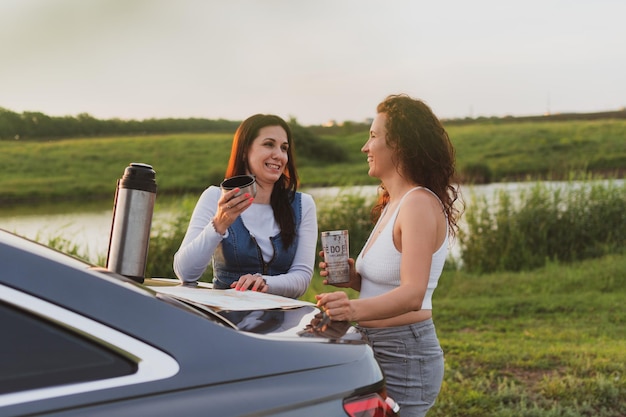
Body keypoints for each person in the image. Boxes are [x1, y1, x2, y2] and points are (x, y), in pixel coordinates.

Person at [316, 94, 461, 416]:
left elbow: (413, 293)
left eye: (372, 137)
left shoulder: (418, 204)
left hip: (404, 353)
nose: (365, 148)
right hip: (378, 345)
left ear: (399, 145)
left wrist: (349, 308)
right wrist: (356, 280)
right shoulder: (394, 202)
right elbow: (393, 283)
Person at [174, 114, 318, 298]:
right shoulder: (214, 197)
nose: (278, 155)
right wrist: (219, 223)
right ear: (244, 151)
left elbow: (302, 278)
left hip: (282, 320)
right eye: (268, 144)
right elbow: (185, 273)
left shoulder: (303, 204)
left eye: (284, 148)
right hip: (226, 318)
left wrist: (264, 282)